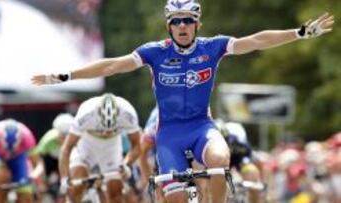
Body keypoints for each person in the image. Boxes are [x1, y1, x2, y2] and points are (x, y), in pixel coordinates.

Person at [31, 0, 334, 201]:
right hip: (169, 133)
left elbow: (255, 41)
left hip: (202, 126)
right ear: (169, 26)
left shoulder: (212, 47)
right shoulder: (155, 52)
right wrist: (66, 75)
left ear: (197, 24)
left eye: (188, 20)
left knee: (219, 161)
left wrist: (299, 33)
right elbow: (111, 65)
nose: (182, 26)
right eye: (176, 21)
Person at [58, 93, 141, 203]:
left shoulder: (128, 113)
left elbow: (136, 145)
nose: (106, 132)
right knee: (76, 187)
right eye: (103, 128)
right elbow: (67, 148)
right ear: (97, 115)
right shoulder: (85, 114)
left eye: (111, 129)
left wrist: (125, 164)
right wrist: (64, 179)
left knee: (116, 193)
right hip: (86, 145)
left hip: (111, 148)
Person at [0, 119, 41, 203]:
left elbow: (38, 164)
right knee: (2, 175)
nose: (9, 152)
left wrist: (34, 175)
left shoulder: (27, 136)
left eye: (13, 149)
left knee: (25, 197)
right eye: (6, 148)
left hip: (18, 160)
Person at [215, 120, 265, 203]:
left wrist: (260, 183)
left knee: (251, 172)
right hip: (220, 162)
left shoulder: (238, 142)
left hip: (238, 159)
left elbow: (255, 159)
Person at [35, 113, 74, 201]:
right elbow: (39, 160)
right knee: (41, 188)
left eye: (67, 136)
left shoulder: (74, 139)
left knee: (66, 188)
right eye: (62, 135)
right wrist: (42, 181)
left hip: (65, 161)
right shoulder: (48, 139)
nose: (64, 139)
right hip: (49, 161)